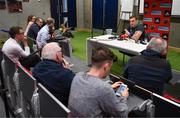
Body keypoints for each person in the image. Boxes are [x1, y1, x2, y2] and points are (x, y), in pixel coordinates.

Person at [68, 47, 129, 117]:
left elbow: (90, 89)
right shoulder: (104, 88)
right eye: (110, 67)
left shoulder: (78, 76)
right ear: (106, 66)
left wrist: (110, 87)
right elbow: (122, 115)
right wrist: (123, 97)